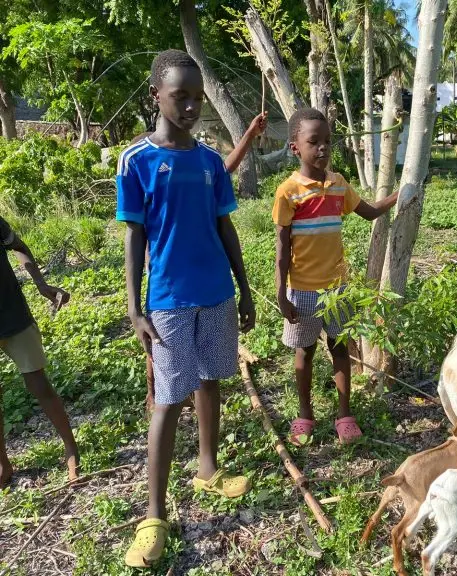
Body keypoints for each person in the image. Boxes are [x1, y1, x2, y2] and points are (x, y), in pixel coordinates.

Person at [116, 49, 258, 568]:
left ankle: (207, 467)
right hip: (169, 303)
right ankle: (153, 515)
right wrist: (135, 308)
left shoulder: (210, 162)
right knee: (169, 399)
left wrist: (242, 287)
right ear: (156, 95)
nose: (192, 106)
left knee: (211, 381)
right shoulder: (137, 161)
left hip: (216, 294)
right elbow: (135, 237)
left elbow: (226, 227)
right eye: (181, 96)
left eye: (198, 97)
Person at [272, 108, 398, 447]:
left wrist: (402, 195)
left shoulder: (339, 185)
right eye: (314, 142)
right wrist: (281, 293)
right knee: (304, 352)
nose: (323, 148)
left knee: (341, 347)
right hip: (302, 292)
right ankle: (304, 414)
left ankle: (344, 414)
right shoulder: (288, 192)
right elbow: (282, 248)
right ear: (295, 147)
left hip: (337, 290)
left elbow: (369, 212)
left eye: (327, 141)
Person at [135, 112, 268, 413]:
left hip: (207, 283)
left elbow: (223, 170)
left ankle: (190, 401)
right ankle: (156, 392)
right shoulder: (142, 158)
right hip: (166, 280)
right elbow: (138, 233)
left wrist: (248, 133)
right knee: (160, 353)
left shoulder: (202, 161)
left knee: (206, 373)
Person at [0, 216, 79, 489]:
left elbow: (19, 246)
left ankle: (71, 449)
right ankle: (3, 464)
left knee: (38, 383)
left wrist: (41, 283)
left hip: (12, 316)